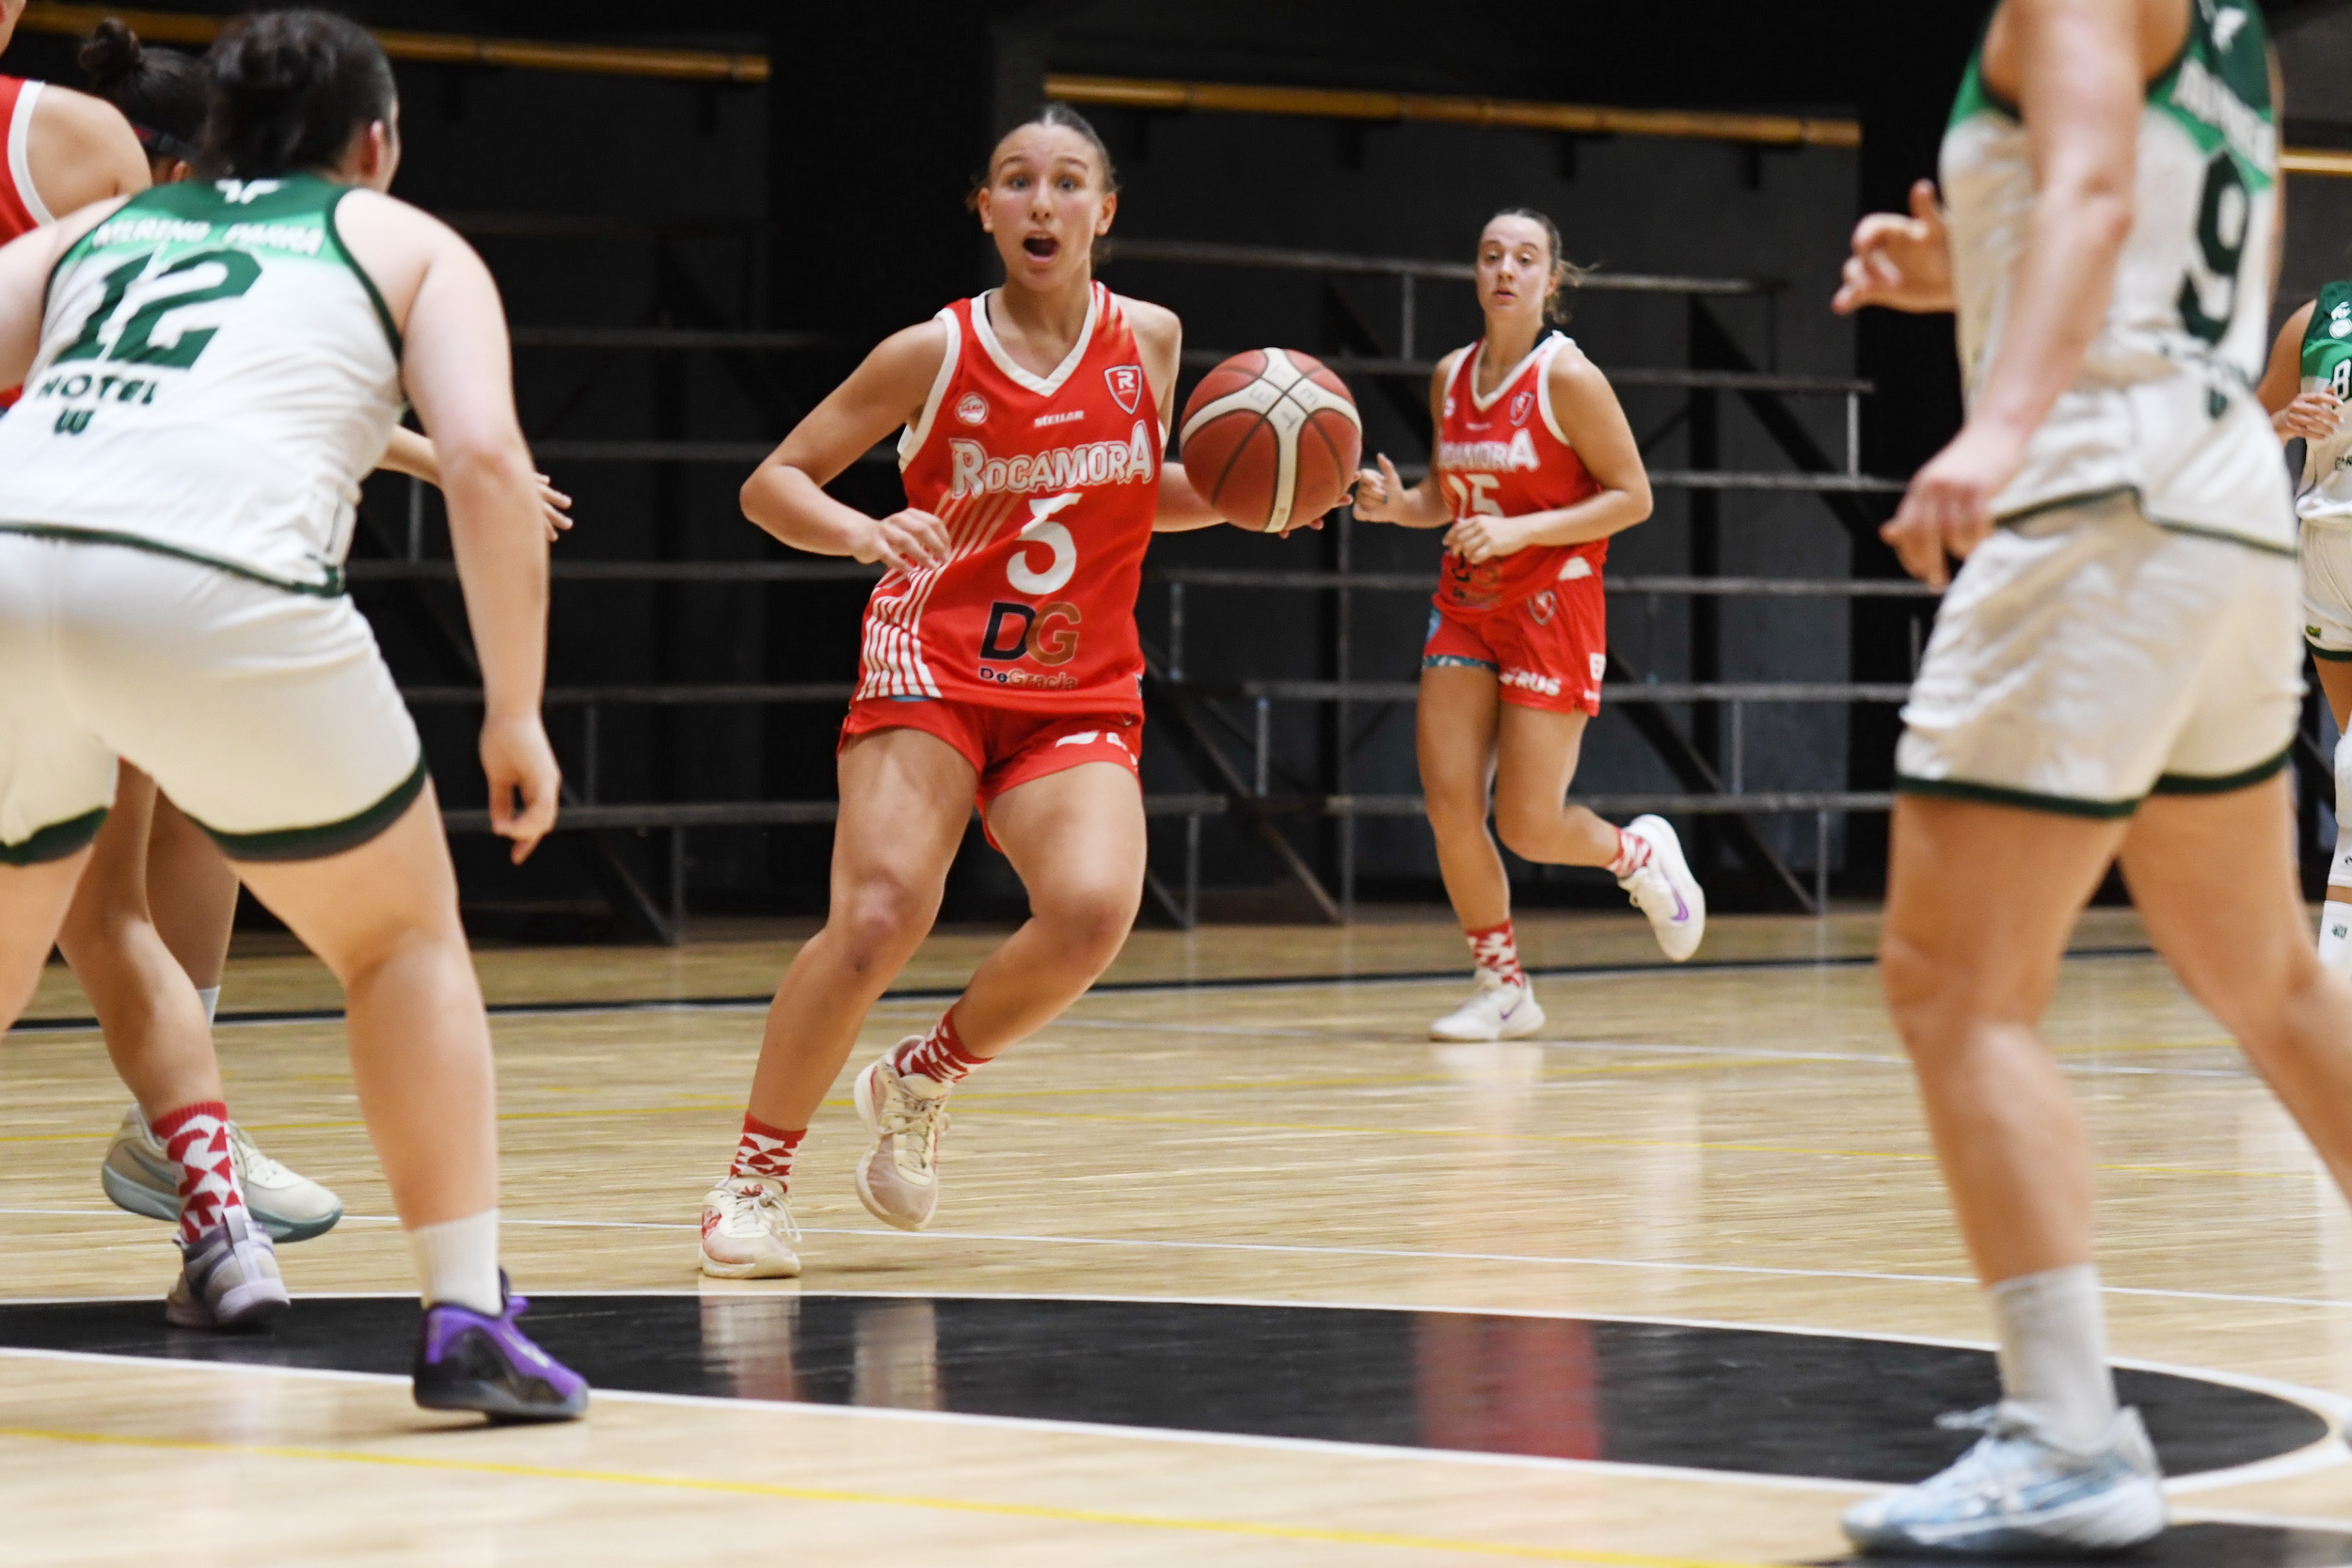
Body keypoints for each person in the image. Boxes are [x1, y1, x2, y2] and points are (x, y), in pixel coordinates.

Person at [0, 8, 583, 1418]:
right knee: (399, 936)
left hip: (11, 558)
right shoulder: (406, 242)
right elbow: (488, 465)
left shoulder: (99, 231)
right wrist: (514, 709)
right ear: (375, 143)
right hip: (215, 583)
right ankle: (465, 1313)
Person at [1831, 0, 2352, 1552]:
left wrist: (1997, 419)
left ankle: (2066, 1431)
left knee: (1954, 984)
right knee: (2270, 977)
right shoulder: (2235, 33)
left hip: (2101, 493)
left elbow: (2095, 195)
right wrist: (1971, 277)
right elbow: (2163, 257)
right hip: (2223, 505)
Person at [700, 103, 1257, 1278]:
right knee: (878, 915)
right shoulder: (932, 351)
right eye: (1016, 179)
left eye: (1066, 181)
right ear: (986, 209)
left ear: (1104, 210)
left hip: (1078, 679)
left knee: (1093, 910)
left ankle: (922, 1076)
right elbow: (772, 483)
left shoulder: (1150, 340)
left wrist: (1259, 495)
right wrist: (860, 528)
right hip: (936, 661)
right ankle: (752, 1179)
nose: (1041, 200)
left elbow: (1131, 493)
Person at [1350, 209, 1701, 1044]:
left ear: (1552, 279)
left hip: (1552, 607)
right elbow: (1447, 496)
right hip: (1466, 607)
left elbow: (1634, 497)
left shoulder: (1568, 378)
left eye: (1524, 257)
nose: (1505, 270)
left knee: (1529, 825)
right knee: (1450, 805)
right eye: (1491, 256)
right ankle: (1502, 986)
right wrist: (1398, 506)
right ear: (1477, 273)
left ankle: (1638, 855)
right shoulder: (1451, 375)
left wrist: (1520, 532)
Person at [2254, 278, 2352, 972]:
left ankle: (2338, 974)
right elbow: (2240, 436)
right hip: (2328, 555)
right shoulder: (2319, 318)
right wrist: (2287, 421)